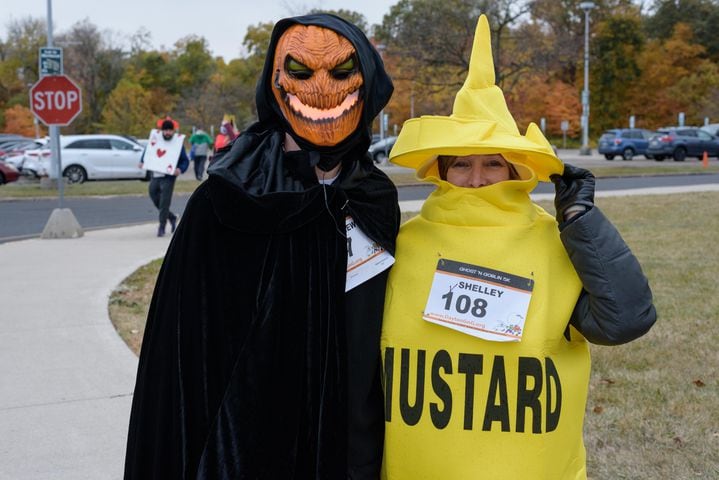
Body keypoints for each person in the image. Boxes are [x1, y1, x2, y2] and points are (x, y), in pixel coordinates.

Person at [379, 15, 656, 479]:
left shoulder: (553, 243)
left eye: (492, 163)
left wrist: (581, 222)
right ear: (441, 170)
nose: (478, 178)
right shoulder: (406, 242)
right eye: (462, 164)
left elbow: (626, 318)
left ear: (516, 171)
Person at [124, 13, 398, 479]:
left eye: (340, 71)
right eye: (300, 71)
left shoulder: (375, 198)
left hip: (354, 449)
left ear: (368, 83)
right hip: (248, 454)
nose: (321, 88)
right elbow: (177, 363)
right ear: (275, 81)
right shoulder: (227, 200)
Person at [140, 119, 190, 237]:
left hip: (168, 177)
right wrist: (142, 161)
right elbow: (148, 152)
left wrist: (180, 169)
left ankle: (161, 227)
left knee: (164, 203)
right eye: (165, 130)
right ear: (162, 131)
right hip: (156, 175)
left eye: (170, 130)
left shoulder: (177, 144)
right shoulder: (156, 140)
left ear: (173, 131)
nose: (167, 133)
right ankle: (171, 217)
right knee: (153, 195)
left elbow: (185, 161)